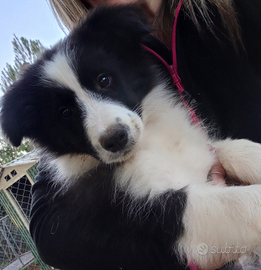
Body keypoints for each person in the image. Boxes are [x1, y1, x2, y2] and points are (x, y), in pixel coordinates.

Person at [30, 0, 261, 269]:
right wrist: (179, 244)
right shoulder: (81, 53)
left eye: (105, 81)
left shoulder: (238, 8)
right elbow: (47, 230)